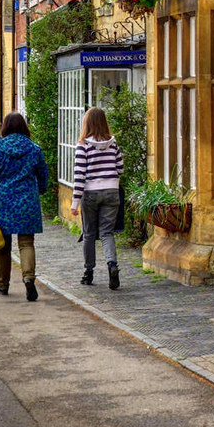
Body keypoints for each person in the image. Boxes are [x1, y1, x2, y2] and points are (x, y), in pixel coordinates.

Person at [0, 112, 48, 302]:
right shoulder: (34, 150)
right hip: (27, 202)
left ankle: (2, 284)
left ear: (6, 128)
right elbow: (43, 175)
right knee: (26, 243)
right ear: (24, 127)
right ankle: (28, 278)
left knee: (3, 245)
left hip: (2, 203)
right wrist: (40, 190)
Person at [71, 107, 124, 290]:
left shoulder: (83, 145)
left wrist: (74, 202)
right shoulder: (113, 144)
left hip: (90, 193)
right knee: (107, 233)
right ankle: (112, 265)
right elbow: (121, 168)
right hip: (111, 191)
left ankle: (88, 272)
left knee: (89, 234)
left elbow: (79, 175)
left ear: (87, 123)